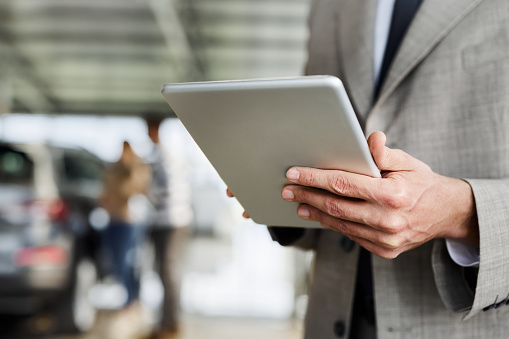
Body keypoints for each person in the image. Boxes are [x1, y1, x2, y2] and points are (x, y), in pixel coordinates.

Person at [231, 0, 509, 338]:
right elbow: (318, 141)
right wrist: (276, 189)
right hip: (332, 317)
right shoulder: (325, 6)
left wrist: (461, 213)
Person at [144, 114, 193, 338]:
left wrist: (145, 192)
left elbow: (166, 190)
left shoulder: (165, 157)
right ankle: (167, 320)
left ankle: (170, 323)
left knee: (168, 271)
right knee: (164, 271)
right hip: (164, 220)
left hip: (173, 221)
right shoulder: (157, 156)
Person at [99, 141, 152, 336]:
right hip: (112, 219)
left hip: (129, 221)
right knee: (115, 261)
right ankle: (128, 300)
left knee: (127, 261)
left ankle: (131, 302)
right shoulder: (113, 168)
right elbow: (106, 187)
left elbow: (139, 187)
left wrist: (131, 163)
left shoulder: (136, 168)